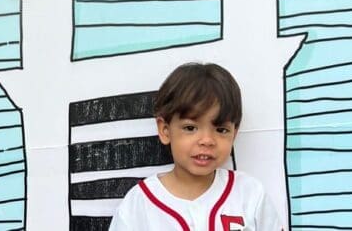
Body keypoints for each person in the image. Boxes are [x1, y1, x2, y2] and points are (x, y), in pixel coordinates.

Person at [109, 62, 284, 230]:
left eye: (221, 130)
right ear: (165, 130)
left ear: (234, 134)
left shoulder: (249, 194)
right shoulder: (138, 205)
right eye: (190, 128)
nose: (207, 140)